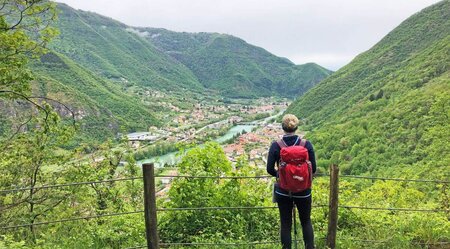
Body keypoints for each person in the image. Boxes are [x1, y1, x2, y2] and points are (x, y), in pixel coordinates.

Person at [267, 114, 316, 249]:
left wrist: (282, 176)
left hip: (283, 190)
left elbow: (269, 168)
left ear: (282, 127)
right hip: (304, 190)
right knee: (306, 221)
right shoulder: (306, 144)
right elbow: (314, 168)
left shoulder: (276, 145)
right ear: (296, 127)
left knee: (285, 223)